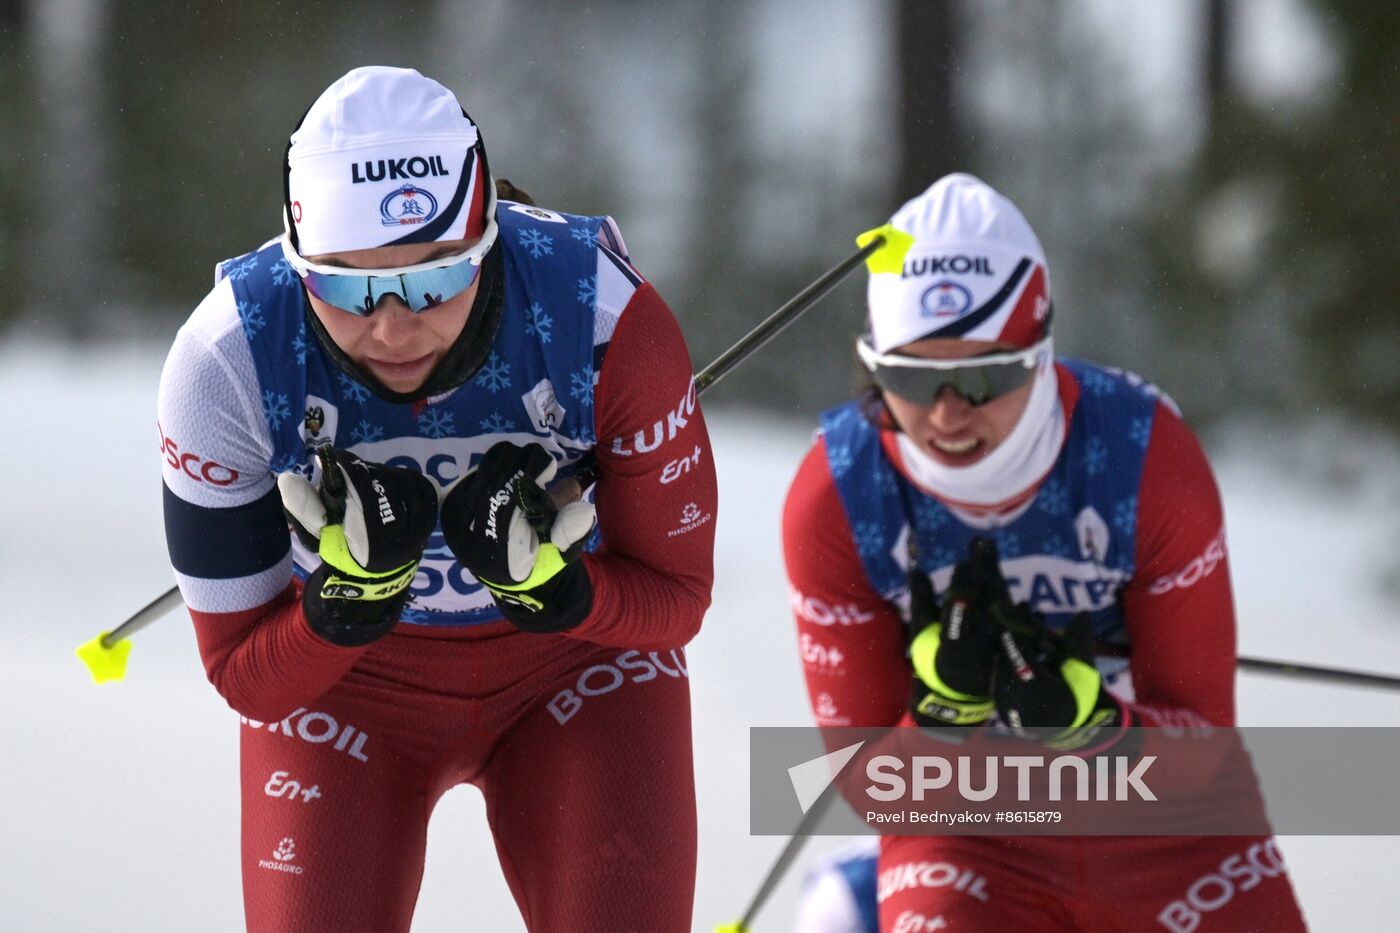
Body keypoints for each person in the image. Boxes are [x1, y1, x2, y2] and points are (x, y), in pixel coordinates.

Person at [157, 66, 716, 932]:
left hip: (578, 669)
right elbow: (245, 676)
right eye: (345, 286)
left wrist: (565, 593)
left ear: (485, 240)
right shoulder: (227, 356)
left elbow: (677, 600)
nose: (391, 325)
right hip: (347, 688)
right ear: (297, 260)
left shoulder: (602, 315)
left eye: (433, 279)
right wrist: (344, 605)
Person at [781, 174, 1306, 931]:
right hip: (969, 824)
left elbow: (1206, 747)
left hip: (1168, 822)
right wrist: (943, 714)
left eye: (984, 376)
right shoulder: (839, 492)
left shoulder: (1141, 454)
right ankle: (859, 891)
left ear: (1040, 353)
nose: (946, 414)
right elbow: (868, 784)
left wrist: (1094, 727)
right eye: (910, 378)